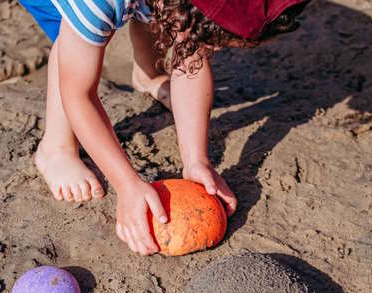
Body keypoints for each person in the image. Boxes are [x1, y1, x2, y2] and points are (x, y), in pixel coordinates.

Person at [18, 0, 309, 255]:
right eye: (217, 41)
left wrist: (196, 160)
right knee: (69, 49)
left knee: (162, 14)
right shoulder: (97, 4)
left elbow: (192, 57)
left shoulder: (187, 9)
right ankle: (56, 149)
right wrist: (127, 185)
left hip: (174, 6)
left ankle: (148, 74)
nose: (217, 48)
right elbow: (79, 95)